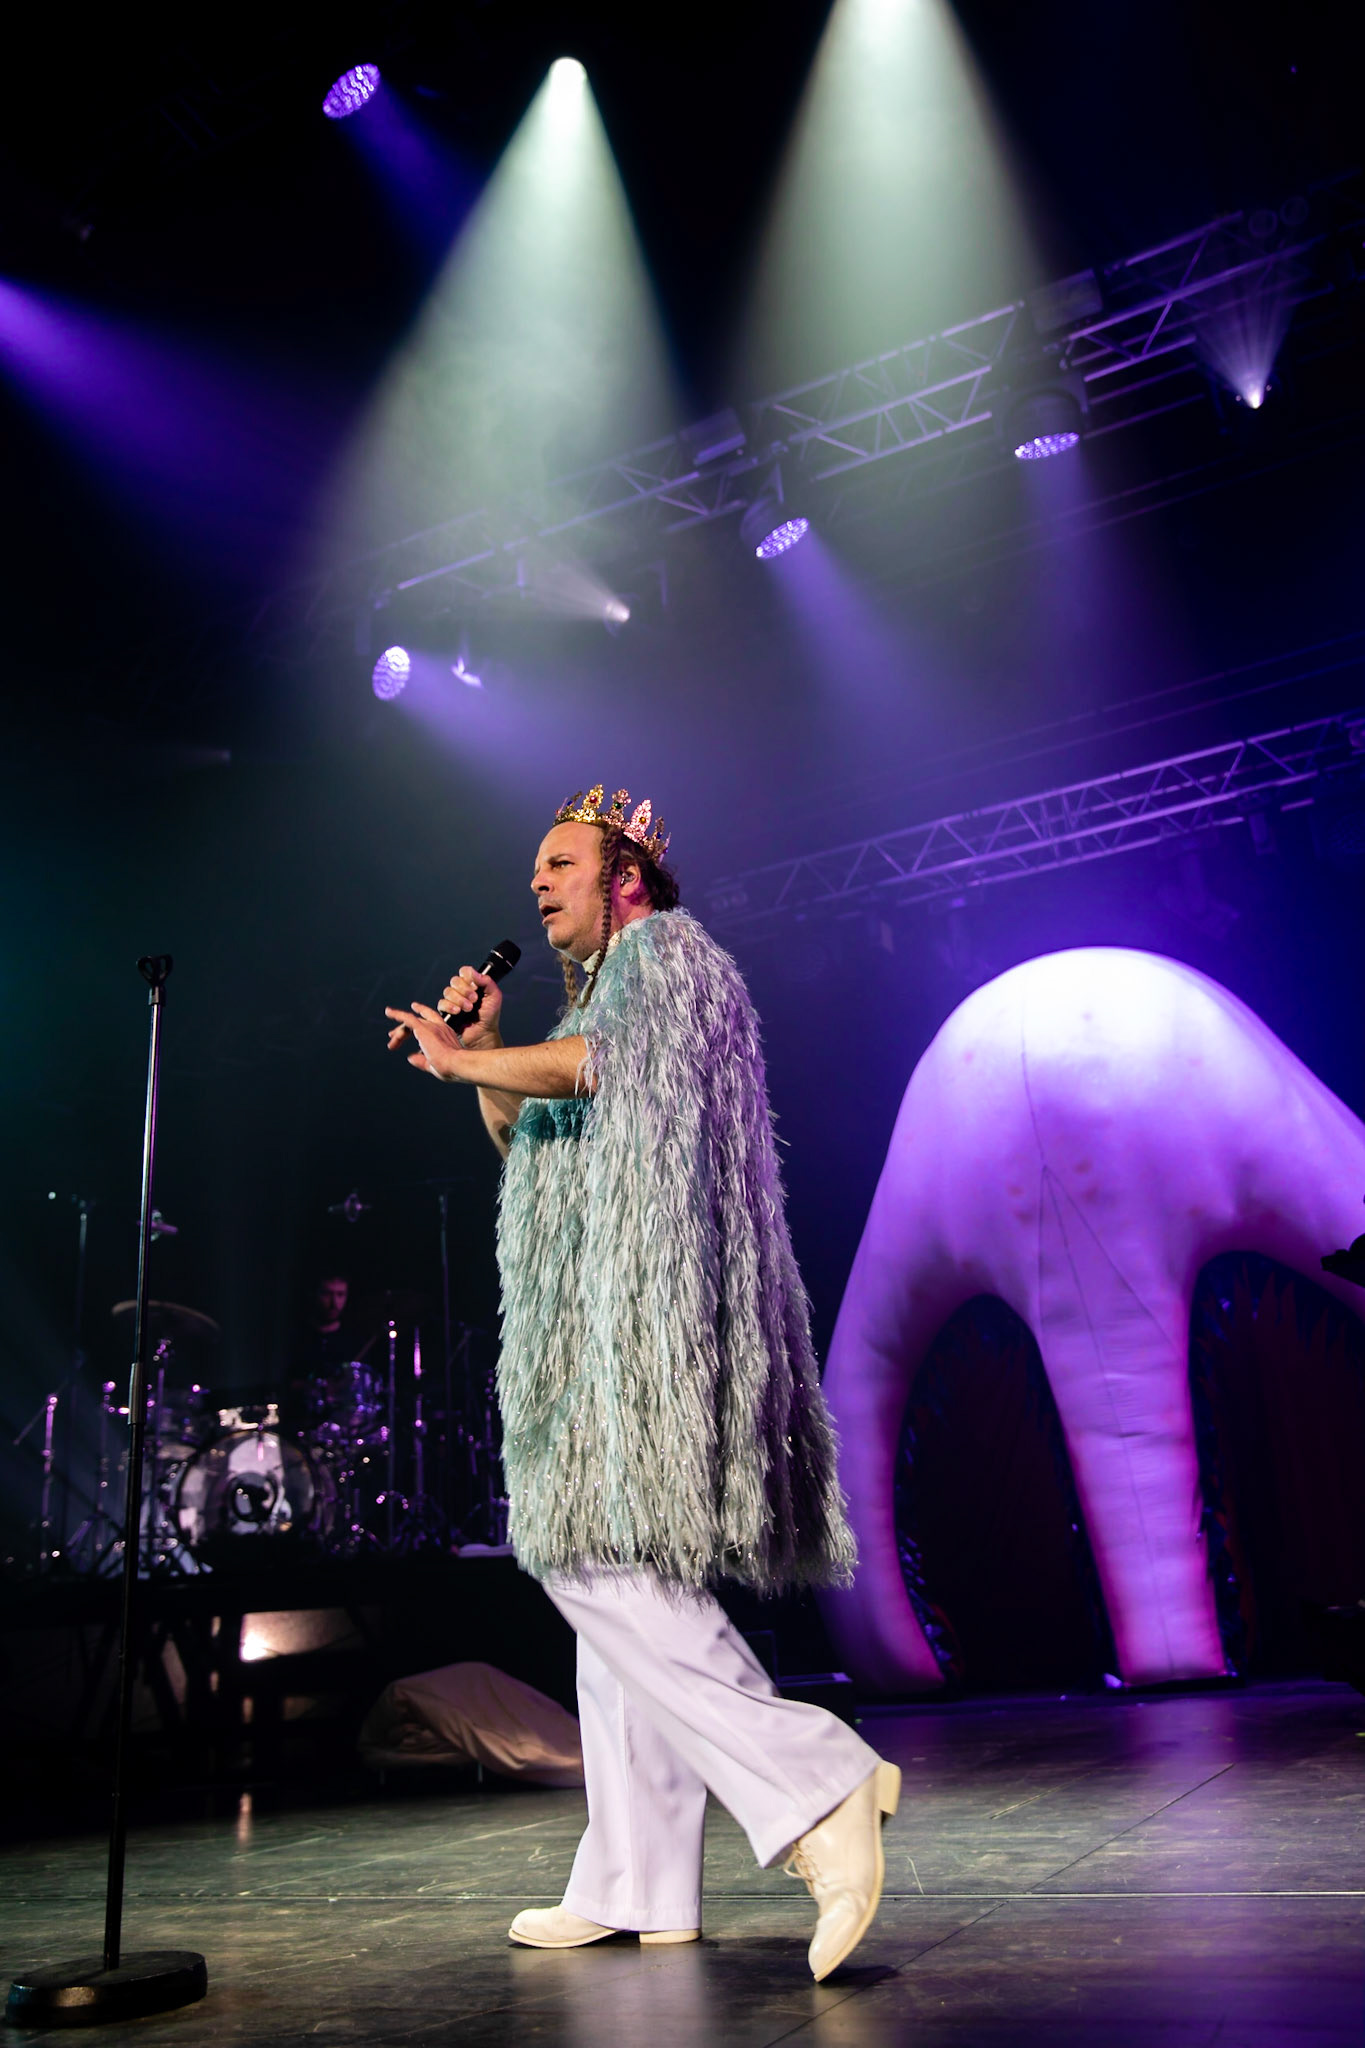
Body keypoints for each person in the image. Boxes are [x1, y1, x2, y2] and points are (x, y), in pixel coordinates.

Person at [383, 785, 899, 1981]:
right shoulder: (590, 995)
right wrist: (484, 1063)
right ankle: (636, 1879)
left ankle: (820, 1785)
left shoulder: (668, 954)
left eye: (557, 862)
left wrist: (475, 1052)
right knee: (614, 1594)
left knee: (589, 1560)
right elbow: (530, 1141)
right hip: (588, 1340)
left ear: (624, 876)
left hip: (648, 1332)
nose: (535, 882)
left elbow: (600, 1070)